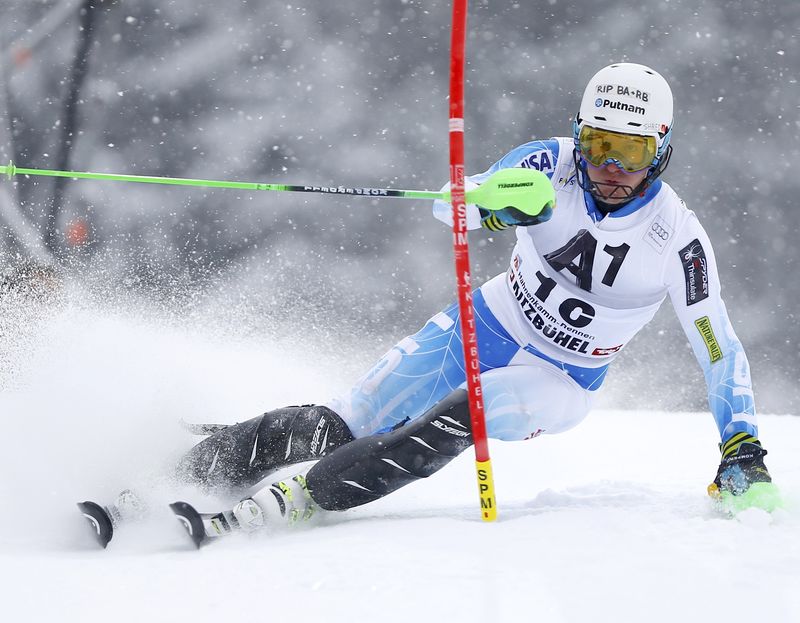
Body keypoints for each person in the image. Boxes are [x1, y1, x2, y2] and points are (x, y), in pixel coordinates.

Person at [105, 63, 776, 543]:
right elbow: (445, 204)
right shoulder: (549, 163)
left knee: (461, 413)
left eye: (631, 152)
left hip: (559, 378)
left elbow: (716, 344)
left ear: (661, 151)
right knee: (345, 416)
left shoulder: (676, 237)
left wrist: (740, 445)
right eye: (599, 145)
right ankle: (178, 476)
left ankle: (304, 497)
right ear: (580, 134)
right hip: (486, 319)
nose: (609, 168)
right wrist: (486, 207)